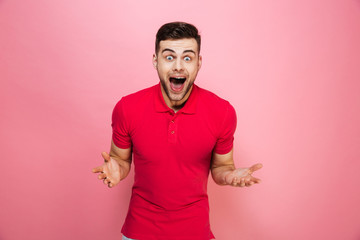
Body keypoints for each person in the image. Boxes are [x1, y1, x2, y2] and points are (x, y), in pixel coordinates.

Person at [92, 21, 263, 240]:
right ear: (156, 61)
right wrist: (116, 168)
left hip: (195, 232)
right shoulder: (127, 108)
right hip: (139, 231)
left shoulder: (222, 112)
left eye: (188, 57)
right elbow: (120, 159)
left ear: (199, 63)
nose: (178, 67)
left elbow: (222, 166)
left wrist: (230, 175)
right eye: (169, 57)